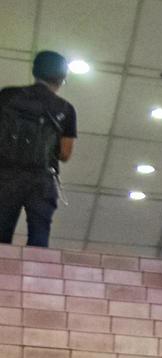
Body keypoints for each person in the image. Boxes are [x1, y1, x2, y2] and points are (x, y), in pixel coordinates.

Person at [0, 51, 77, 248]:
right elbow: (65, 154)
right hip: (41, 179)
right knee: (39, 234)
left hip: (5, 175)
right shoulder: (65, 109)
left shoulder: (7, 95)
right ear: (61, 79)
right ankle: (36, 275)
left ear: (35, 72)